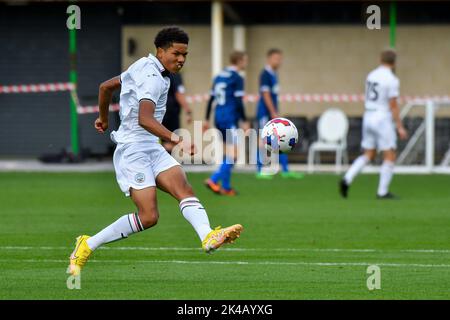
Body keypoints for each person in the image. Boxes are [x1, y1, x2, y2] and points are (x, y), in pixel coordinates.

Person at [69, 27, 243, 276]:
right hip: (133, 150)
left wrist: (103, 118)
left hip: (151, 146)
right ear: (161, 51)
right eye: (176, 53)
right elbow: (144, 119)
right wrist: (177, 138)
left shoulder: (144, 65)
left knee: (184, 188)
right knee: (149, 216)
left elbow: (105, 87)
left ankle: (208, 236)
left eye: (185, 54)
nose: (181, 59)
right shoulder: (151, 76)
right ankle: (87, 244)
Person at [340, 48, 408, 199]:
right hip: (382, 117)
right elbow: (393, 104)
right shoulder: (392, 79)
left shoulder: (371, 75)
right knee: (389, 154)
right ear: (394, 62)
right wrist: (399, 126)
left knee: (369, 154)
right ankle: (382, 192)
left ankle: (347, 178)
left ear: (380, 60)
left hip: (368, 115)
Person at [203, 51, 250, 196]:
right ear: (240, 61)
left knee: (228, 153)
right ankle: (213, 179)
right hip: (230, 118)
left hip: (218, 117)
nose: (246, 64)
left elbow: (211, 99)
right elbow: (238, 101)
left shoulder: (219, 76)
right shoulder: (237, 78)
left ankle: (227, 187)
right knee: (234, 155)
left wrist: (206, 119)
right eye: (245, 61)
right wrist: (244, 120)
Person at [255, 48, 303, 179]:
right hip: (264, 113)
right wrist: (272, 111)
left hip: (272, 113)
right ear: (269, 59)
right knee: (263, 140)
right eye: (276, 58)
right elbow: (265, 94)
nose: (279, 61)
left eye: (280, 58)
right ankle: (259, 170)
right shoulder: (265, 74)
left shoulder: (274, 74)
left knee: (281, 139)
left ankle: (286, 170)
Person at [161, 72, 193, 152]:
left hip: (160, 112)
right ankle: (166, 163)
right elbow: (179, 94)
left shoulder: (161, 73)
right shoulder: (175, 75)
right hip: (171, 113)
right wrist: (188, 111)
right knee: (171, 141)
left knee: (165, 140)